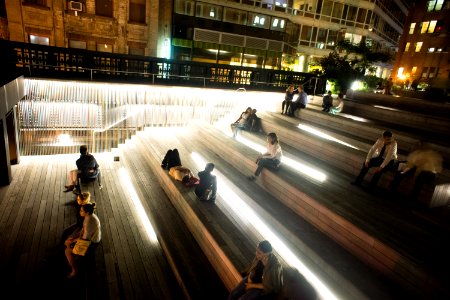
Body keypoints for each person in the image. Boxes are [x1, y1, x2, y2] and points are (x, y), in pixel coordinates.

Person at [64, 202, 101, 279]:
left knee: (67, 251)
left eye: (81, 211)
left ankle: (74, 270)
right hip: (90, 238)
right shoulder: (90, 216)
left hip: (92, 242)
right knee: (68, 239)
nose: (80, 212)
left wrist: (73, 240)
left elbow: (85, 238)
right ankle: (74, 258)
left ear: (86, 212)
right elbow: (83, 230)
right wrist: (74, 237)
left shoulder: (88, 221)